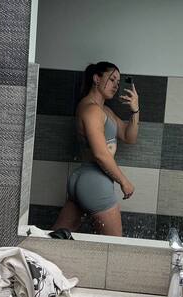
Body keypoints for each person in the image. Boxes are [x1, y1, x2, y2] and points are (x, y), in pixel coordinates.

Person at [53, 61, 139, 236]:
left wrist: (135, 110)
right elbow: (100, 154)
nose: (116, 85)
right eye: (112, 79)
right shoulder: (91, 110)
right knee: (114, 245)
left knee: (55, 240)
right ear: (96, 79)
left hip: (84, 179)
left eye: (118, 82)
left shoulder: (104, 110)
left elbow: (129, 136)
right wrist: (124, 182)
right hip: (95, 181)